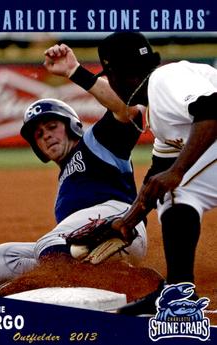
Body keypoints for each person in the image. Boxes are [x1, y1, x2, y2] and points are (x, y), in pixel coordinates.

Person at [0, 43, 148, 287]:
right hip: (92, 247)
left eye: (52, 127)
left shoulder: (96, 142)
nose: (46, 136)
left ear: (71, 125)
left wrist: (75, 71)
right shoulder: (65, 182)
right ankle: (105, 278)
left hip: (121, 227)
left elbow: (127, 110)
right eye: (39, 134)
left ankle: (57, 286)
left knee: (49, 243)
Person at [90, 31, 217, 315]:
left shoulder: (164, 80)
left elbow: (212, 108)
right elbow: (158, 171)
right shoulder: (159, 105)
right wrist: (127, 221)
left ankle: (178, 295)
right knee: (169, 187)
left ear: (115, 74)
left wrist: (178, 172)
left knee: (176, 189)